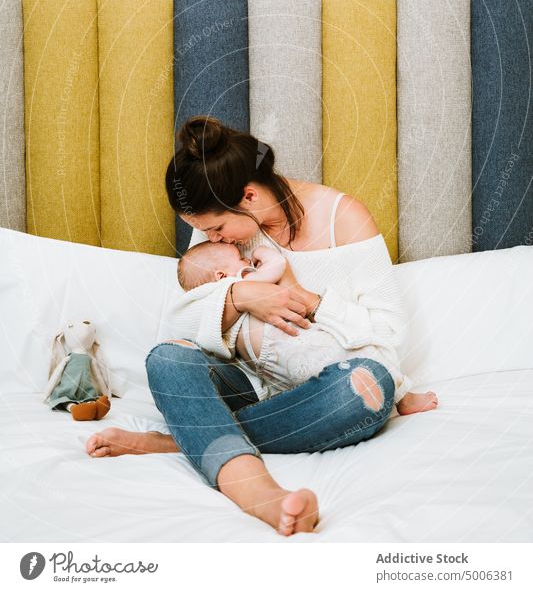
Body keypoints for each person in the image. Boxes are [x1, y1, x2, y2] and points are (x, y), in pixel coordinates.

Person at [85, 116, 432, 537]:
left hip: (331, 387)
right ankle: (260, 492)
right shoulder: (224, 238)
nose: (215, 241)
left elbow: (389, 332)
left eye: (215, 228)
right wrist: (243, 297)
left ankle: (185, 439)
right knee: (167, 358)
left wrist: (305, 300)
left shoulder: (346, 219)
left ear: (247, 196)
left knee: (369, 387)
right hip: (249, 384)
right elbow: (181, 319)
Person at [177, 239, 438, 416]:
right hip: (295, 345)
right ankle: (401, 395)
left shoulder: (217, 306)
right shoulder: (238, 285)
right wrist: (264, 254)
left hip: (277, 362)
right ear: (221, 276)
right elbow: (276, 268)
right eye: (239, 257)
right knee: (363, 354)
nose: (246, 258)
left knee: (340, 370)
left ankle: (388, 396)